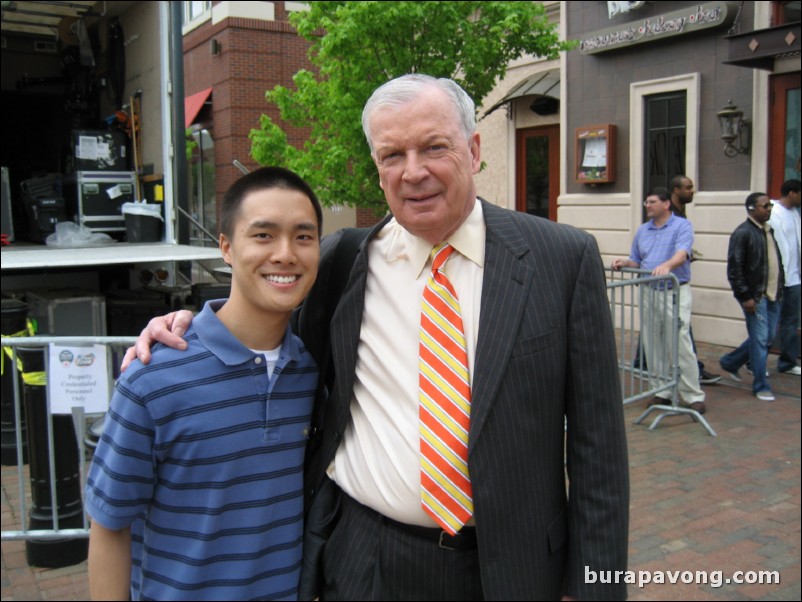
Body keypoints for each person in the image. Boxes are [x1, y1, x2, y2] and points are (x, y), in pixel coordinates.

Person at [126, 74, 630, 600]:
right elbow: (258, 311)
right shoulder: (341, 262)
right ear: (377, 168)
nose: (414, 172)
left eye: (435, 147)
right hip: (366, 563)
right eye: (393, 154)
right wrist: (185, 325)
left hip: (515, 571)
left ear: (474, 149)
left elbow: (600, 455)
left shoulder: (562, 260)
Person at [86, 167, 322, 600]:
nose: (286, 254)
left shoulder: (311, 372)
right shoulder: (152, 376)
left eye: (304, 237)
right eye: (264, 236)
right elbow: (109, 523)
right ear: (227, 248)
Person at [612, 187, 706, 414]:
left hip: (673, 290)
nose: (647, 205)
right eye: (646, 202)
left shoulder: (681, 225)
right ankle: (661, 391)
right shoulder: (642, 231)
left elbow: (682, 253)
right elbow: (637, 260)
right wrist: (625, 263)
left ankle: (693, 394)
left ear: (666, 204)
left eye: (652, 201)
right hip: (648, 290)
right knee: (653, 342)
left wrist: (667, 266)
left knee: (679, 342)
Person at [719, 193, 784, 401]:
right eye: (764, 206)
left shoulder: (768, 231)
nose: (769, 209)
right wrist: (745, 296)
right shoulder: (743, 233)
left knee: (766, 338)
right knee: (760, 339)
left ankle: (731, 361)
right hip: (756, 296)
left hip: (773, 294)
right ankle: (760, 385)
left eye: (770, 206)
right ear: (751, 209)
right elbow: (735, 269)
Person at [669, 175, 721, 385]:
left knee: (668, 326)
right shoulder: (670, 215)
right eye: (688, 187)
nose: (692, 191)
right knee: (681, 328)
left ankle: (640, 361)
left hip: (675, 279)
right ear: (676, 190)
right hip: (671, 281)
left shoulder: (681, 213)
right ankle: (693, 372)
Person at [768, 179, 801, 375]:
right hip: (777, 279)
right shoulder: (772, 211)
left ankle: (787, 362)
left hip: (794, 278)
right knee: (769, 325)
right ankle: (750, 361)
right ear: (792, 193)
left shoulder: (795, 213)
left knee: (790, 321)